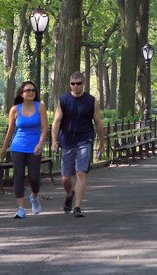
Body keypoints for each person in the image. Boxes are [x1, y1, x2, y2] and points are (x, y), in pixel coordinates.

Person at [51, 71, 106, 218]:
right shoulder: (63, 100)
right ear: (70, 84)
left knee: (80, 173)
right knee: (66, 178)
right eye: (73, 84)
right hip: (67, 141)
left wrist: (101, 143)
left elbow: (98, 122)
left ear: (83, 84)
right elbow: (56, 122)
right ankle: (69, 194)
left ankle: (77, 207)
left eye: (78, 84)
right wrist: (54, 141)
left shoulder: (91, 101)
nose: (75, 86)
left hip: (84, 139)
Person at [0, 80, 48, 218]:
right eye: (28, 90)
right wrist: (4, 149)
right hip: (17, 146)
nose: (31, 92)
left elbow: (45, 128)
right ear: (22, 93)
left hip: (34, 147)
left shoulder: (40, 107)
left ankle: (34, 197)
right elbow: (10, 131)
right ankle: (21, 208)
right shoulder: (15, 109)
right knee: (19, 176)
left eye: (33, 90)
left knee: (34, 177)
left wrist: (40, 144)